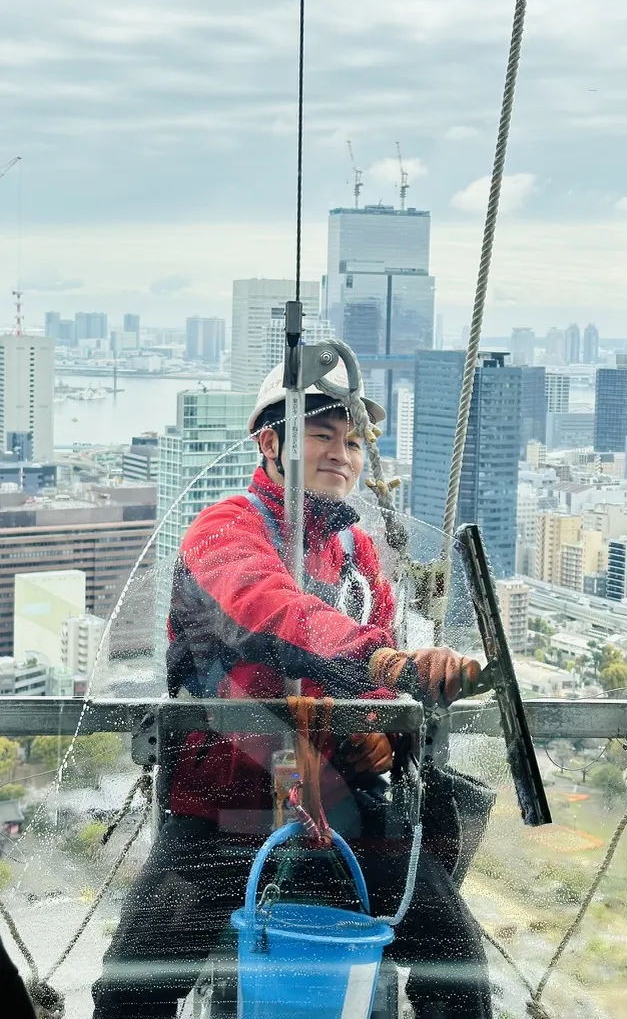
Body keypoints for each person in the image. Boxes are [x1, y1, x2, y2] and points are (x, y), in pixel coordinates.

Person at [92, 361, 492, 1019]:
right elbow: (277, 614)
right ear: (269, 443)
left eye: (355, 442)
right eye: (323, 435)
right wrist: (389, 666)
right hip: (224, 807)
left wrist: (380, 730)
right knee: (135, 984)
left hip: (343, 805)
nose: (344, 454)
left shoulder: (358, 556)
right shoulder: (225, 531)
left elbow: (372, 648)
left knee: (456, 961)